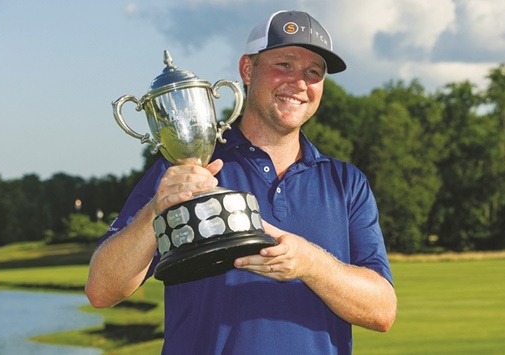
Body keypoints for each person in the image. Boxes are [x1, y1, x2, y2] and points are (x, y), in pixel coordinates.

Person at [85, 10, 397, 354]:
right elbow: (102, 290)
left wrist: (310, 264)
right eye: (285, 64)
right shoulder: (187, 167)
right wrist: (155, 210)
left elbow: (381, 311)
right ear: (247, 70)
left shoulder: (346, 182)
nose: (299, 83)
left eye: (313, 72)